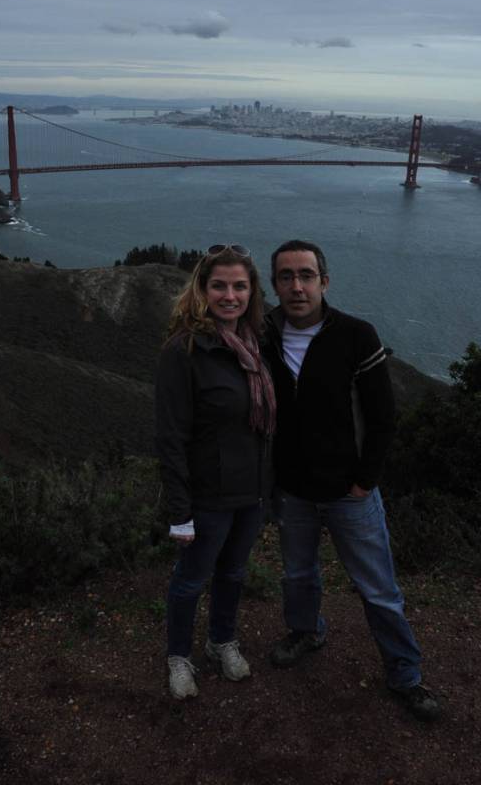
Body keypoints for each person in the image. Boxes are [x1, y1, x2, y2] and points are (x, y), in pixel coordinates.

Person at [262, 238, 439, 722]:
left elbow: (383, 417)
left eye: (306, 275)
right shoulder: (264, 336)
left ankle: (406, 674)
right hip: (294, 490)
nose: (296, 286)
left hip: (349, 492)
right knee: (297, 575)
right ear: (274, 283)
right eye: (286, 277)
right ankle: (306, 632)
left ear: (324, 281)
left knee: (378, 588)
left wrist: (365, 480)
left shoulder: (357, 335)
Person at [155, 244, 276, 700]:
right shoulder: (184, 350)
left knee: (233, 574)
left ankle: (222, 641)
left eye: (239, 286)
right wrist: (180, 510)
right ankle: (179, 656)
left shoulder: (256, 343)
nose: (230, 295)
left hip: (251, 492)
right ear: (202, 290)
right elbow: (170, 437)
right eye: (219, 285)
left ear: (251, 291)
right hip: (207, 495)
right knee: (191, 579)